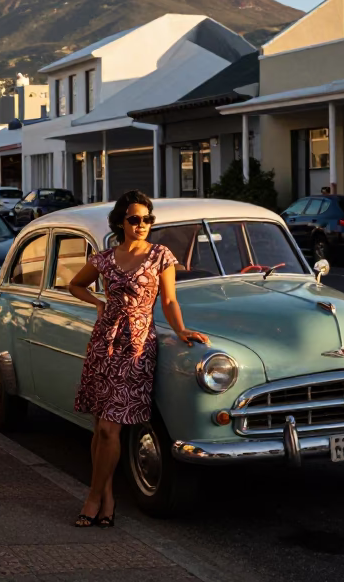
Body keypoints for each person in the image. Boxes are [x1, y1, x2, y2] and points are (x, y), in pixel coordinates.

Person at [65, 190, 209, 528]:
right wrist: (98, 303)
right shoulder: (105, 257)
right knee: (100, 427)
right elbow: (75, 285)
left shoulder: (160, 255)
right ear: (121, 222)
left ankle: (93, 498)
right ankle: (107, 497)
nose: (142, 224)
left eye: (147, 219)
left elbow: (169, 301)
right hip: (104, 342)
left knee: (111, 427)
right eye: (134, 219)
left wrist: (181, 329)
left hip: (137, 345)